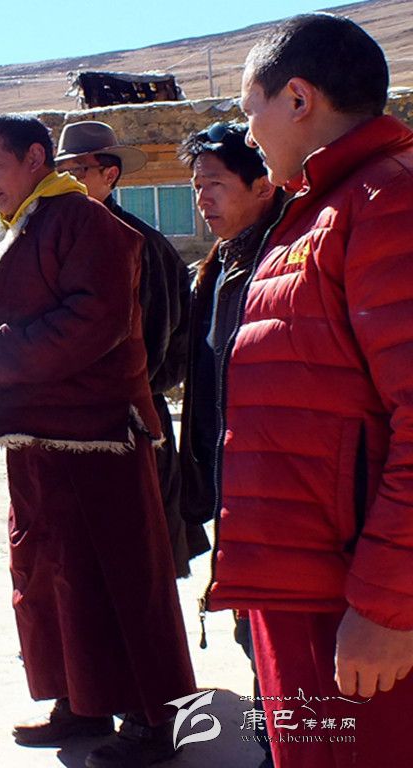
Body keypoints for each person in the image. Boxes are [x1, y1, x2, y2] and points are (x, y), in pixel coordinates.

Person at [0, 114, 195, 768]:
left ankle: (154, 720)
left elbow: (95, 320)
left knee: (122, 577)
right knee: (50, 573)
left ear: (35, 158)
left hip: (99, 435)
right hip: (32, 436)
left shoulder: (90, 225)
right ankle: (82, 702)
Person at [207, 14, 413, 768]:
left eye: (249, 107)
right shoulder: (318, 209)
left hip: (358, 606)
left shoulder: (388, 202)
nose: (247, 130)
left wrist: (388, 606)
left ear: (298, 98)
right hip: (303, 588)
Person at [178, 121, 284, 768]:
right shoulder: (220, 265)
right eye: (196, 187)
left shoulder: (287, 258)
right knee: (251, 626)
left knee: (283, 630)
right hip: (230, 483)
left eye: (214, 184)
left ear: (262, 184)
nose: (202, 200)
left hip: (280, 487)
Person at [54, 121, 201, 578]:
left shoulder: (142, 246)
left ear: (109, 174)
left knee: (138, 565)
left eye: (79, 171)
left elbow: (160, 349)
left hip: (132, 425)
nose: (68, 182)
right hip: (70, 426)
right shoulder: (54, 240)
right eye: (61, 172)